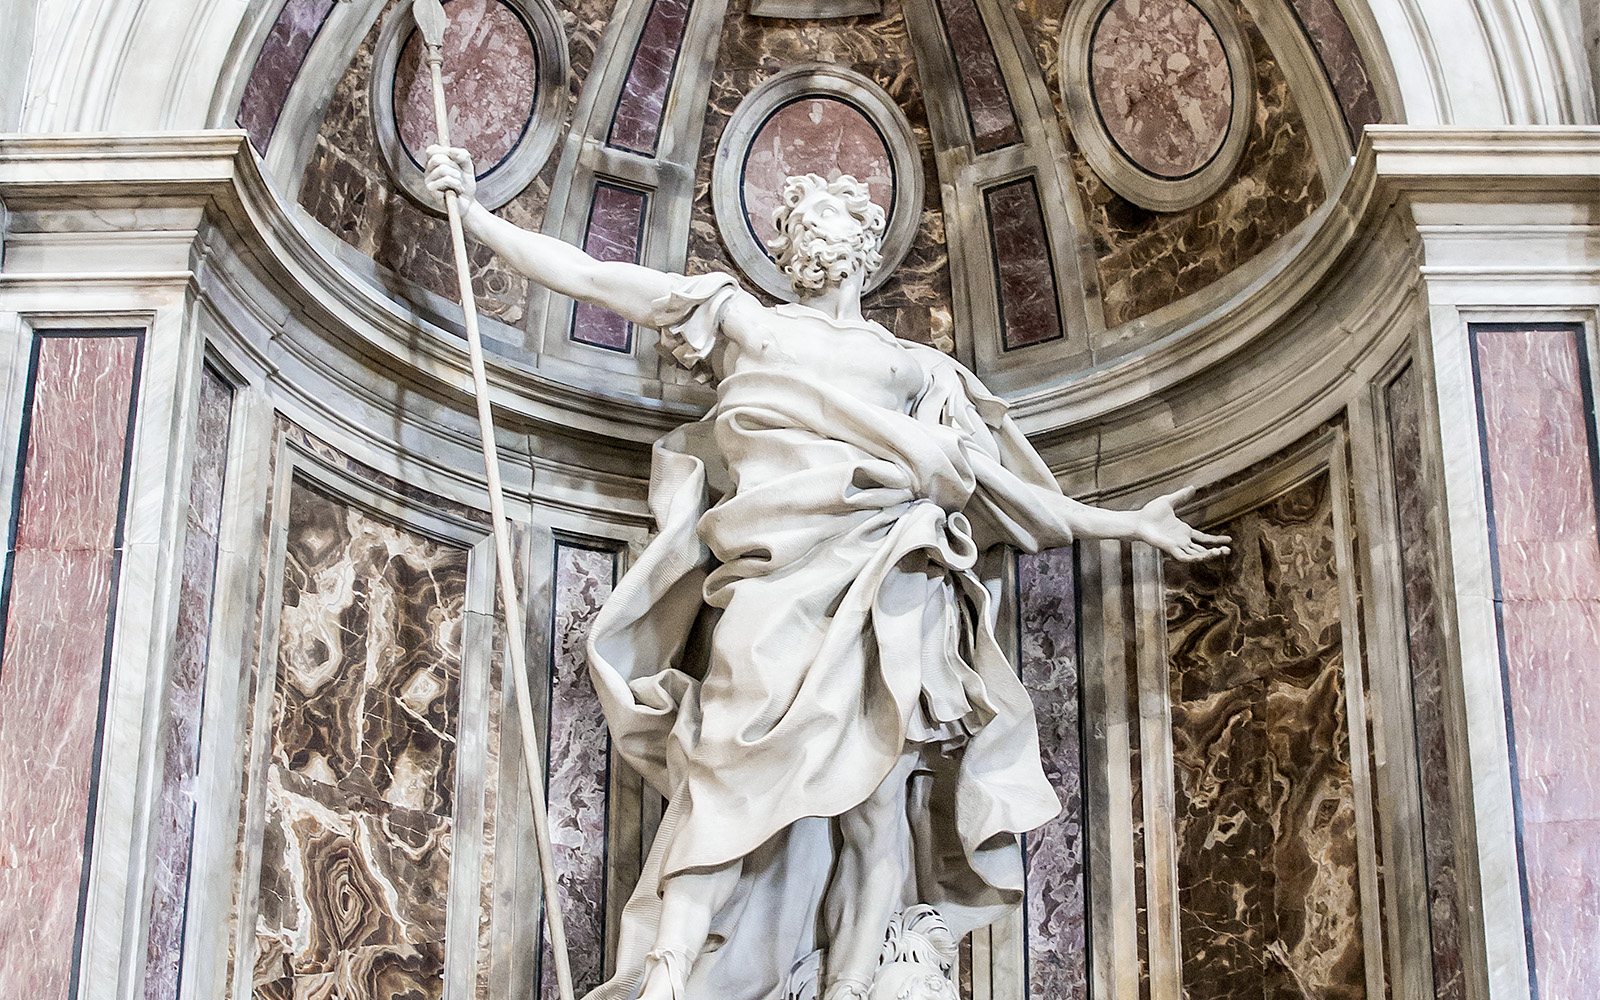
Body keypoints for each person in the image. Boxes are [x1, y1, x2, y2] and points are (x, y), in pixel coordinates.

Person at [424, 147, 1229, 1000]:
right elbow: (597, 278)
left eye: (830, 219)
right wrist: (476, 219)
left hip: (890, 586)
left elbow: (1005, 491)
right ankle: (665, 974)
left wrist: (1128, 524)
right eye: (799, 224)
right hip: (772, 583)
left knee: (878, 805)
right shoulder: (748, 322)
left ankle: (848, 986)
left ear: (867, 243)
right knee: (725, 771)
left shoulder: (917, 370)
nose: (814, 235)